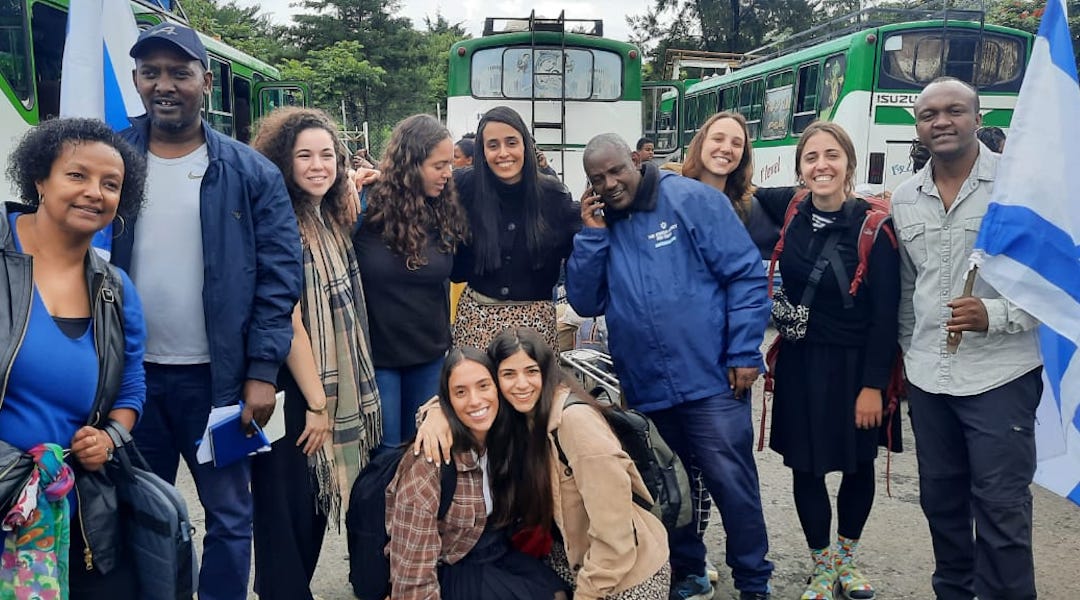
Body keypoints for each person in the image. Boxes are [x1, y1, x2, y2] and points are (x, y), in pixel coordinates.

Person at [116, 22, 303, 600]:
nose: (164, 85)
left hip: (219, 386)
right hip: (132, 383)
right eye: (152, 73)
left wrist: (262, 371)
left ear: (206, 84)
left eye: (180, 73)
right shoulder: (112, 160)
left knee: (229, 516)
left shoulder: (251, 172)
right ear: (137, 81)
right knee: (138, 515)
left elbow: (279, 278)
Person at [568, 134, 773, 600]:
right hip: (648, 385)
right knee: (669, 486)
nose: (610, 183)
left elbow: (744, 274)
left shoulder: (690, 200)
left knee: (731, 483)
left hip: (712, 380)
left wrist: (743, 352)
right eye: (597, 178)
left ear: (636, 161)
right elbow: (584, 298)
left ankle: (754, 582)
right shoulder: (603, 223)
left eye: (616, 170)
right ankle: (688, 571)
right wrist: (593, 235)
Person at [891, 77, 1042, 600]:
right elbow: (910, 289)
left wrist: (995, 314)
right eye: (928, 114)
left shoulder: (1016, 188)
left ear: (978, 118)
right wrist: (910, 359)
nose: (941, 121)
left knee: (1002, 512)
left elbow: (1055, 282)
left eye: (955, 110)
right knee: (943, 508)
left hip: (1002, 375)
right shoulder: (905, 197)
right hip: (930, 382)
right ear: (918, 127)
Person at [1, 118, 148, 597]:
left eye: (111, 184)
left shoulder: (116, 289)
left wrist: (109, 438)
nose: (94, 192)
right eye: (77, 175)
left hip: (75, 503)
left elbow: (130, 388)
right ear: (40, 179)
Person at [415, 329, 671, 599]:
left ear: (547, 372)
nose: (521, 384)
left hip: (623, 574)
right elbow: (468, 398)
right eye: (509, 374)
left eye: (531, 371)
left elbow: (615, 538)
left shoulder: (575, 424)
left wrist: (586, 595)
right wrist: (436, 413)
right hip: (568, 558)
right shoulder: (516, 416)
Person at [249, 107, 382, 599]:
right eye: (304, 155)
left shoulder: (327, 217)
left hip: (321, 383)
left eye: (327, 155)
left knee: (310, 509)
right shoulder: (281, 219)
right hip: (293, 385)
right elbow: (290, 320)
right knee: (285, 517)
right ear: (283, 161)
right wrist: (320, 406)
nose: (318, 165)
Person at [768, 121, 901, 600]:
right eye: (811, 157)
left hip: (854, 370)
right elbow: (732, 191)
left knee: (857, 466)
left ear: (849, 163)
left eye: (831, 155)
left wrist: (873, 386)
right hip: (801, 366)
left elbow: (885, 316)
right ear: (800, 168)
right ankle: (821, 566)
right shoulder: (792, 211)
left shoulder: (873, 227)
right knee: (806, 468)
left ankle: (846, 561)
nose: (821, 165)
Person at [387, 346, 568, 600]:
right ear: (447, 400)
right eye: (460, 392)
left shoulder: (505, 436)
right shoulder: (432, 460)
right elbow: (412, 571)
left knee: (560, 593)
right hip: (450, 564)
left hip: (496, 549)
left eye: (484, 386)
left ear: (498, 390)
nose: (475, 400)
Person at [353, 114, 468, 447]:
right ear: (410, 164)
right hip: (378, 359)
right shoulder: (366, 205)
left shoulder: (443, 208)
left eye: (450, 164)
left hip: (430, 356)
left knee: (424, 451)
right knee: (385, 455)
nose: (449, 173)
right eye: (439, 165)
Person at [450, 106, 580, 352]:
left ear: (525, 146)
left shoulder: (553, 194)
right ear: (482, 151)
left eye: (511, 142)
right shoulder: (465, 186)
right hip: (477, 318)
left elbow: (583, 238)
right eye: (493, 145)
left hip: (535, 326)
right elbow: (421, 190)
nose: (503, 153)